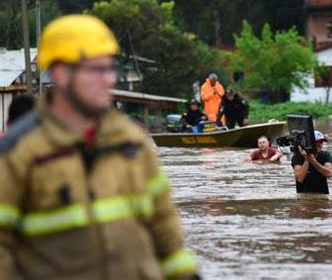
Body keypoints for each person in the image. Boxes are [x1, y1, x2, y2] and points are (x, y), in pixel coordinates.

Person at [0, 15, 198, 280]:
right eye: (96, 70)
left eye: (110, 68)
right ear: (61, 73)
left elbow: (165, 232)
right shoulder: (19, 152)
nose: (108, 80)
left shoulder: (133, 142)